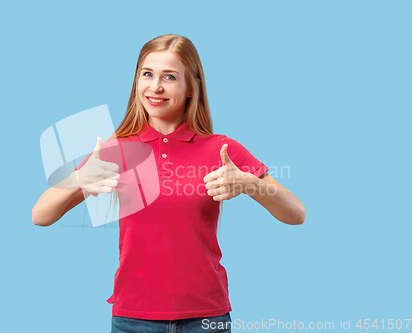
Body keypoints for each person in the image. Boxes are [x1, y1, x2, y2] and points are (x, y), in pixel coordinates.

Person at [32, 34, 306, 333]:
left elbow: (296, 214)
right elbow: (41, 216)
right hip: (133, 319)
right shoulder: (117, 151)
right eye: (147, 74)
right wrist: (77, 179)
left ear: (191, 87)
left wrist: (250, 184)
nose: (156, 87)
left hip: (206, 318)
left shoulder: (221, 149)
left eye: (170, 77)